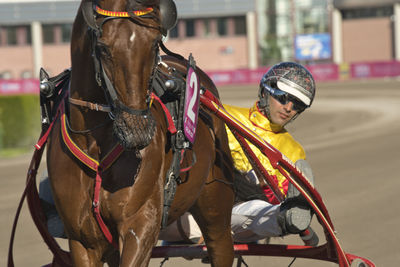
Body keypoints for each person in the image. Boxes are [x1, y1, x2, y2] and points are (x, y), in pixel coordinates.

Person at [158, 61, 318, 245]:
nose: (288, 108)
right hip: (195, 206)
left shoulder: (294, 150)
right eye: (283, 98)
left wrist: (263, 185)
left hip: (244, 216)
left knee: (257, 212)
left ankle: (289, 218)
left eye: (297, 105)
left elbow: (278, 198)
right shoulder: (223, 115)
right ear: (266, 91)